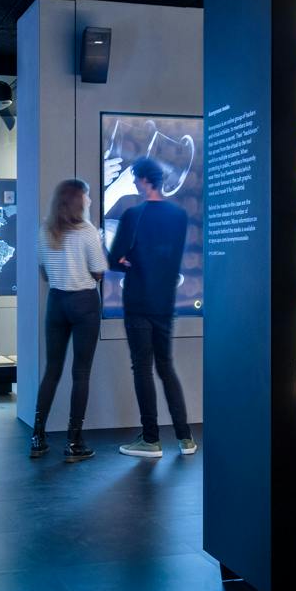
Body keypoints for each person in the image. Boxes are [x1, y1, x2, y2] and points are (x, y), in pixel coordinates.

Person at [109, 156, 196, 457]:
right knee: (166, 367)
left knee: (142, 368)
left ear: (145, 180)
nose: (133, 183)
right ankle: (185, 438)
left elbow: (114, 258)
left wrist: (128, 260)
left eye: (135, 178)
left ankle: (150, 439)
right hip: (165, 302)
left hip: (138, 301)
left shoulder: (134, 214)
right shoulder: (179, 215)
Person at [33, 177, 106, 463]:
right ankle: (74, 441)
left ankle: (37, 437)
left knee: (51, 370)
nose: (89, 200)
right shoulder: (88, 232)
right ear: (78, 201)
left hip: (56, 302)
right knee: (81, 373)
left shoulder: (46, 229)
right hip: (84, 303)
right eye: (86, 196)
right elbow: (99, 271)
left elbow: (43, 270)